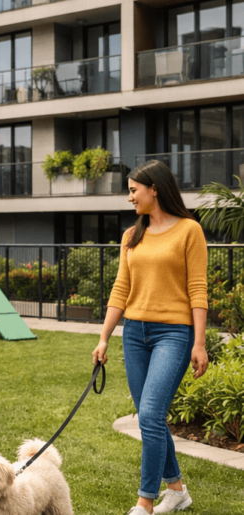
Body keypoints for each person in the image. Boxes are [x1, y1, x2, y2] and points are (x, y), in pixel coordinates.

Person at [91, 161, 208, 515]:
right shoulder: (131, 235)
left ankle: (145, 502)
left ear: (154, 189)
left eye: (133, 190)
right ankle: (176, 490)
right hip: (135, 333)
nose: (129, 197)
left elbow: (197, 289)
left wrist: (199, 343)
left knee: (152, 413)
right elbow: (121, 288)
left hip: (173, 333)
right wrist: (104, 338)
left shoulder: (189, 231)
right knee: (149, 417)